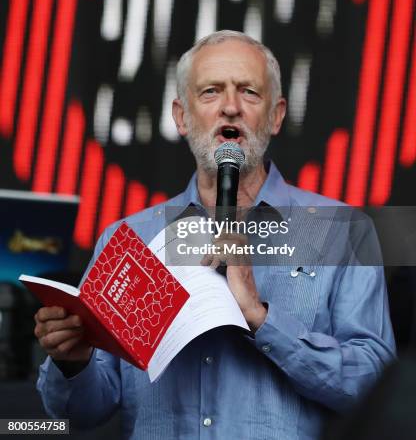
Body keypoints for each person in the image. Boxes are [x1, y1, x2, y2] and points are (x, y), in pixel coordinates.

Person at [35, 30, 395, 439]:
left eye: (249, 92)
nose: (230, 108)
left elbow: (374, 386)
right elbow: (83, 413)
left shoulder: (340, 232)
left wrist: (260, 318)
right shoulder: (130, 240)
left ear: (276, 116)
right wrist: (73, 362)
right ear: (181, 117)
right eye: (210, 92)